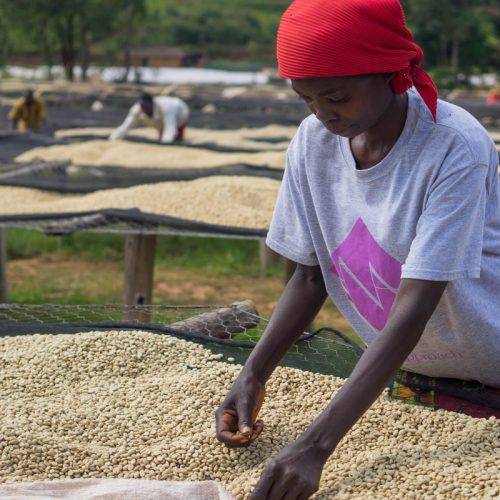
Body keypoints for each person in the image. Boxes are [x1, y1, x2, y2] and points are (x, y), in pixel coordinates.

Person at [215, 1, 500, 498]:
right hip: (412, 378)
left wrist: (315, 447)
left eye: (338, 98)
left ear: (392, 75)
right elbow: (309, 276)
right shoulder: (312, 144)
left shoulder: (454, 146)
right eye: (307, 100)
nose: (323, 115)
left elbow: (415, 303)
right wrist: (254, 373)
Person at [109, 92, 189, 144]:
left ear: (152, 103)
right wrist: (113, 139)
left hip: (180, 113)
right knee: (163, 136)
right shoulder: (137, 110)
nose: (144, 109)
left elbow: (170, 127)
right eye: (143, 107)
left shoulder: (166, 107)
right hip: (160, 122)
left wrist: (166, 145)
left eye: (146, 106)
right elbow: (126, 126)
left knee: (176, 139)